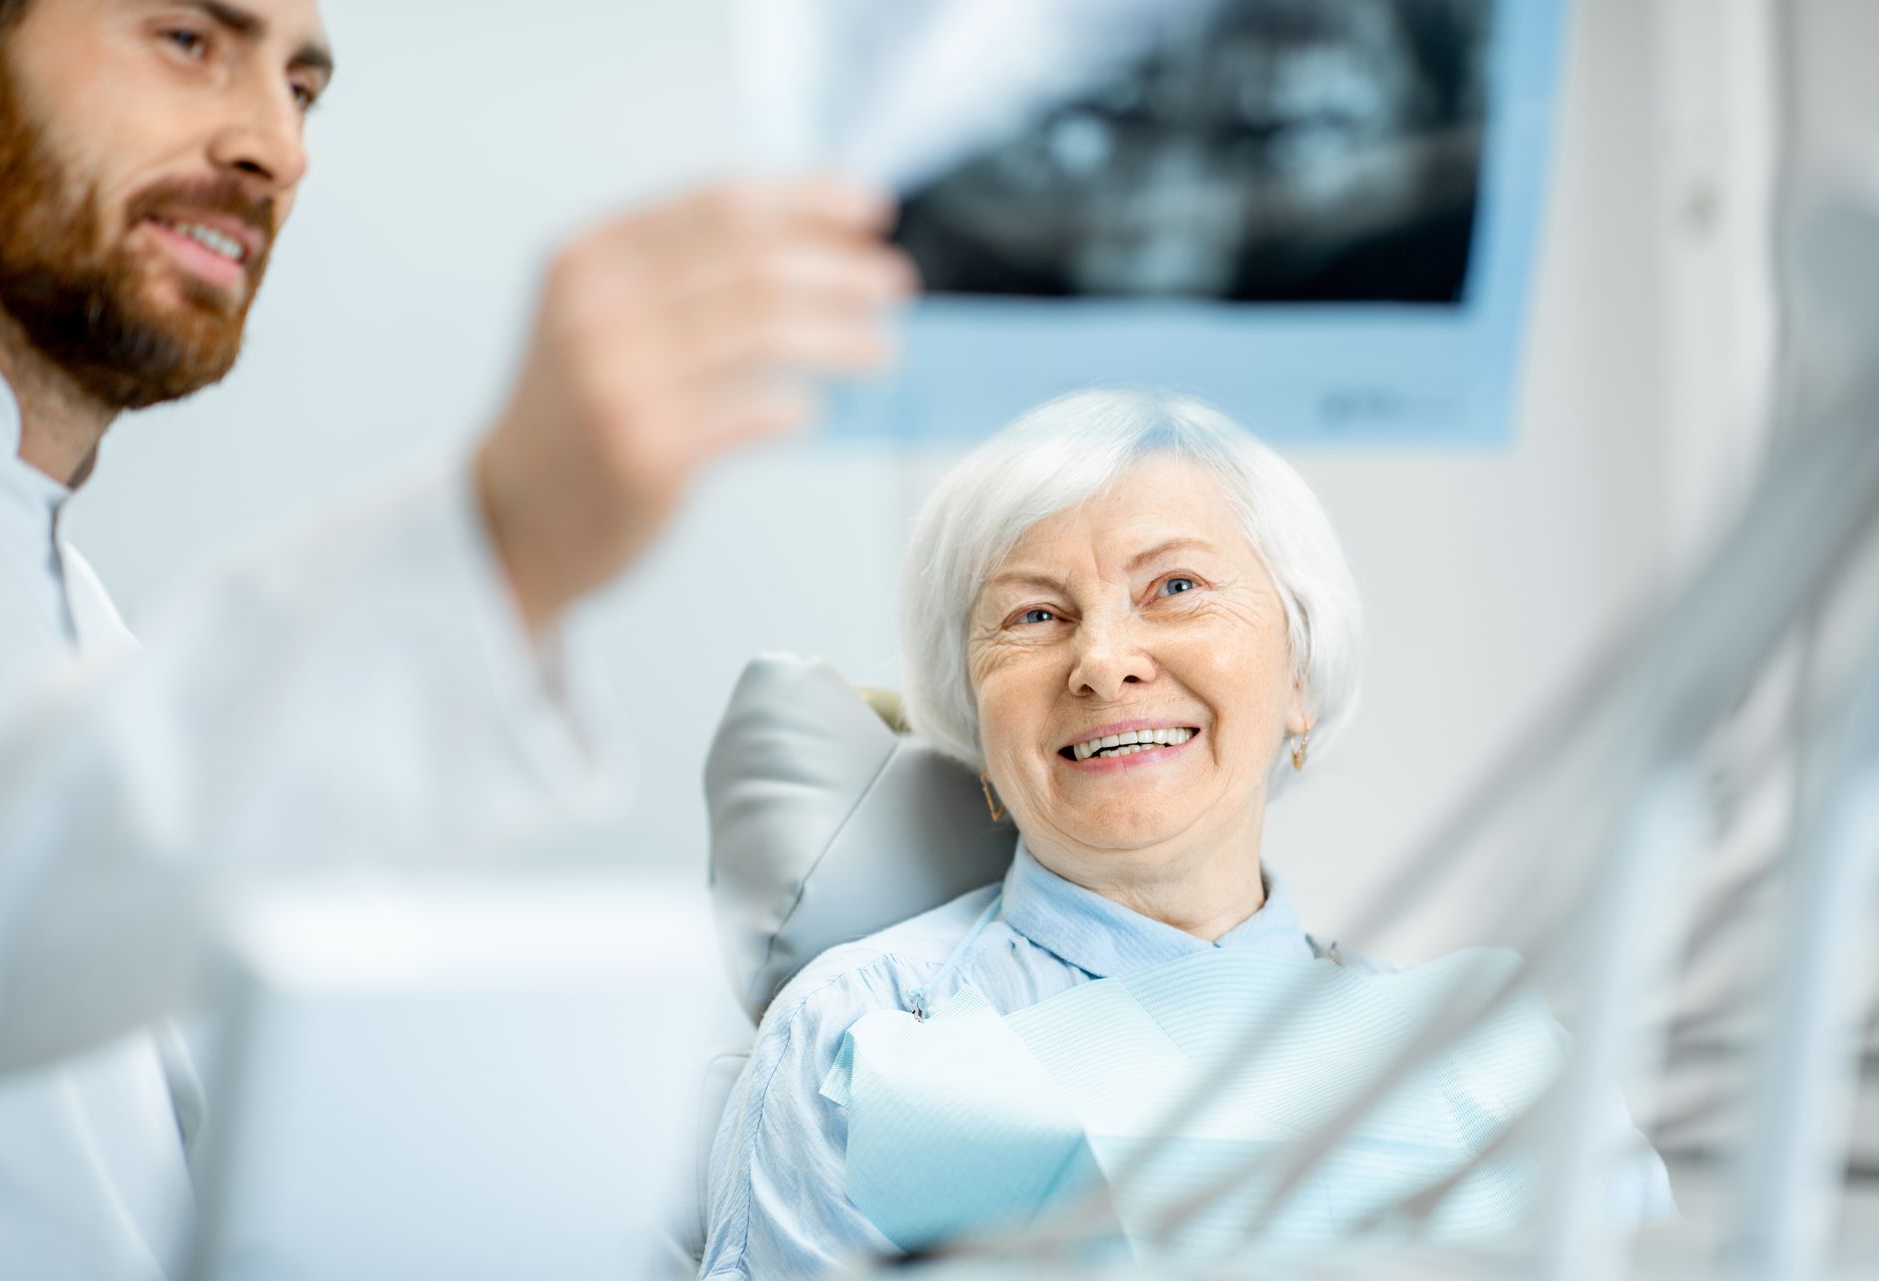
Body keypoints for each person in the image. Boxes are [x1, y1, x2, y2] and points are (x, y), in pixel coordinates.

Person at [0, 0, 914, 1276]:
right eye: (189, 40)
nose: (274, 145)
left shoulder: (68, 612)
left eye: (301, 89)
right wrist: (500, 537)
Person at [699, 389, 1674, 1277]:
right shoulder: (864, 1044)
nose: (1104, 661)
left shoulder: (1496, 1060)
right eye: (1035, 615)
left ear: (1298, 676)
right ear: (977, 728)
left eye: (1174, 588)